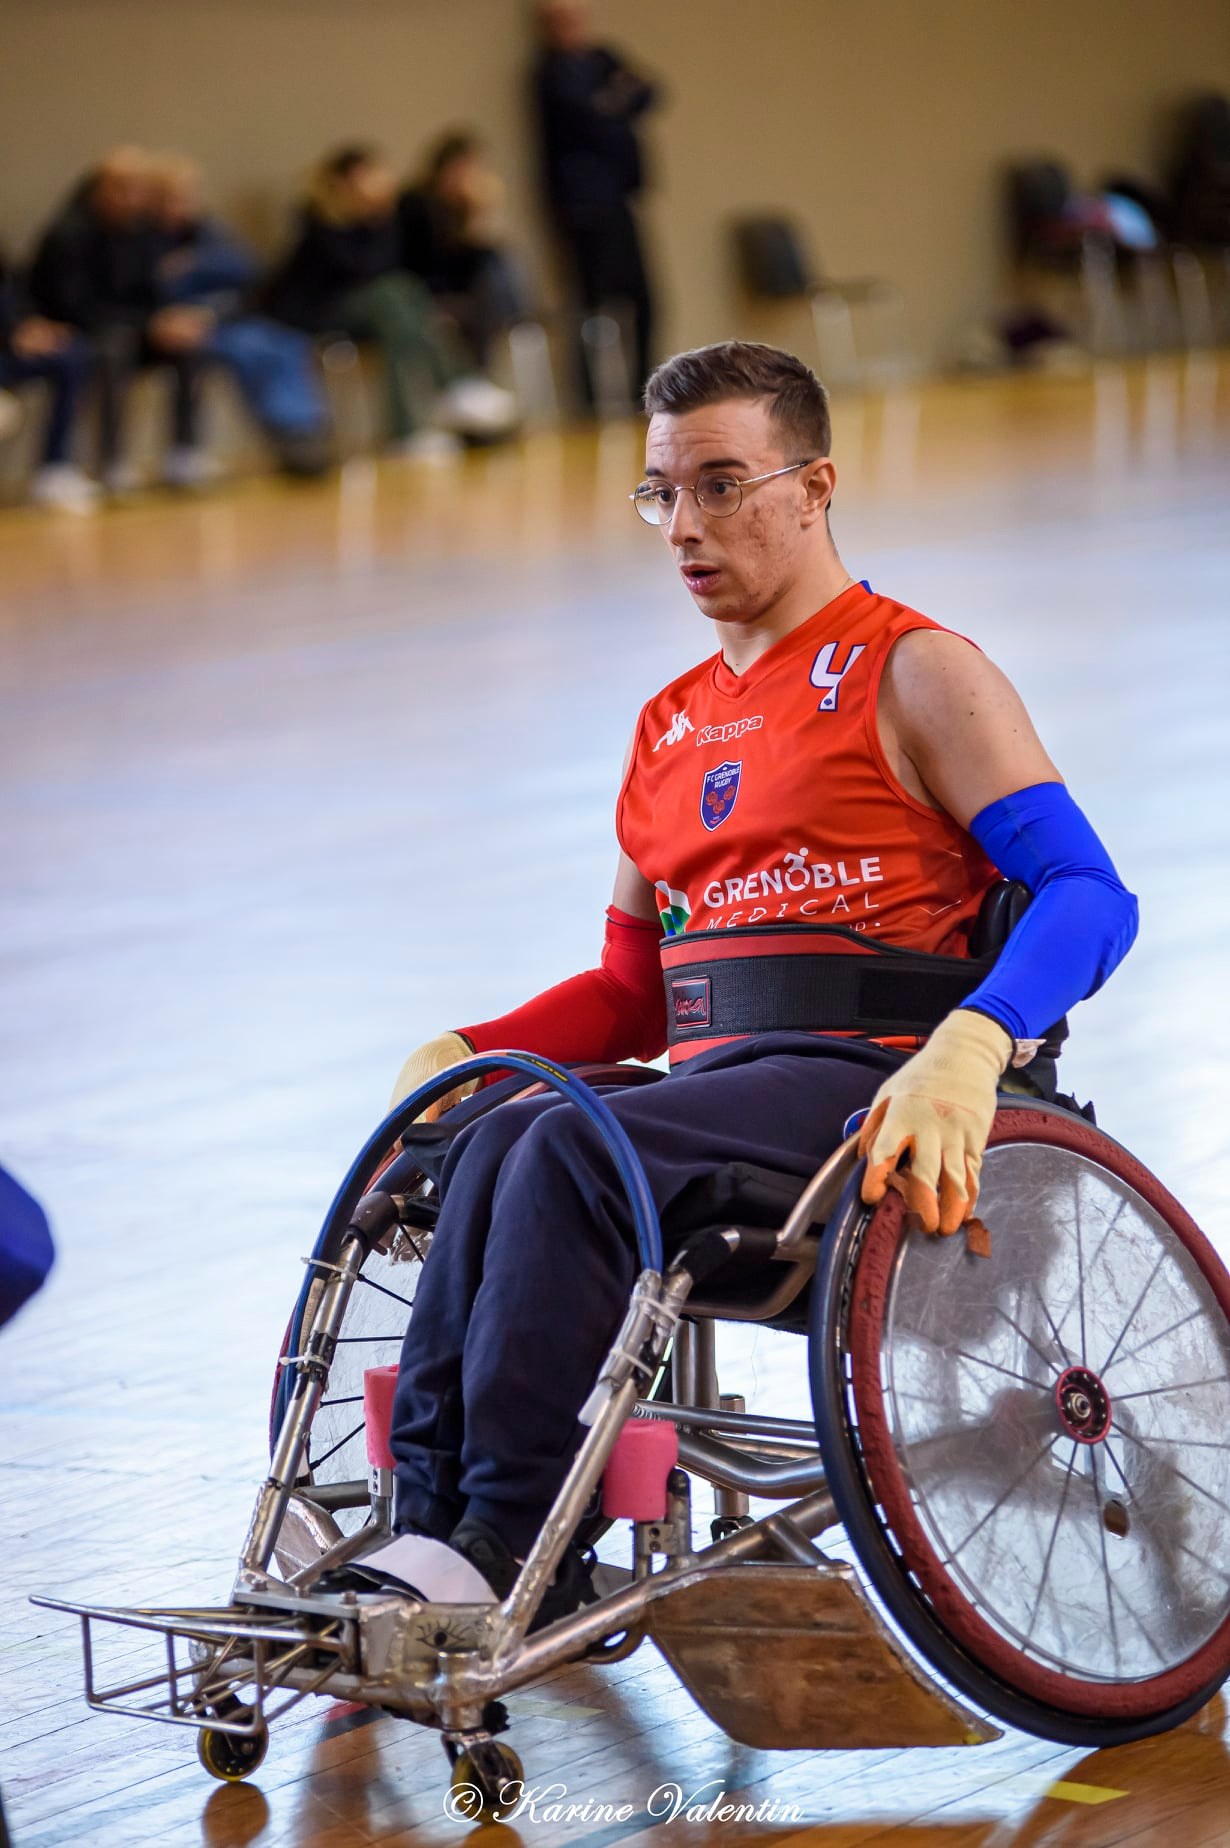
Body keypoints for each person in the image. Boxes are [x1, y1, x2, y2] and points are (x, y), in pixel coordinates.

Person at [368, 340, 1137, 1618]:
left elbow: (1091, 897)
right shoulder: (666, 725)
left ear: (816, 484)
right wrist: (466, 1047)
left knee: (559, 1148)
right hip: (715, 1090)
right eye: (662, 493)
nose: (685, 525)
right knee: (496, 1133)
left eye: (722, 484)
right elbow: (630, 994)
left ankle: (507, 1540)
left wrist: (979, 1036)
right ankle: (427, 1527)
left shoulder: (915, 667)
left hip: (865, 1084)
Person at [262, 145, 516, 459]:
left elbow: (425, 269)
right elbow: (359, 270)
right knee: (392, 296)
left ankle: (410, 429)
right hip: (320, 314)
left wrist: (472, 223)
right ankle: (455, 387)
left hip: (383, 314)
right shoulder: (318, 218)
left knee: (403, 314)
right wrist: (374, 218)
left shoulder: (387, 220)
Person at [28, 146, 219, 492]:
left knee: (189, 344)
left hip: (134, 327)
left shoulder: (140, 233)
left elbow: (151, 291)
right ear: (99, 188)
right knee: (114, 348)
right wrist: (147, 324)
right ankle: (112, 460)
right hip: (84, 331)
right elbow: (74, 307)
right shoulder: (68, 234)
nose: (131, 198)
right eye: (122, 187)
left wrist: (168, 319)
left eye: (138, 189)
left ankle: (184, 453)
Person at [151, 155, 332, 477]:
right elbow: (142, 294)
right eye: (173, 198)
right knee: (249, 349)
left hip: (223, 318)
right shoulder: (145, 241)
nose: (184, 205)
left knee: (287, 342)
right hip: (182, 329)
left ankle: (306, 427)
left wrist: (204, 286)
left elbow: (249, 273)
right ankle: (283, 432)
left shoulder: (208, 233)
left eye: (189, 195)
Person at [533, 0, 659, 405]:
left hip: (621, 197)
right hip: (583, 207)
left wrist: (612, 100)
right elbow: (587, 116)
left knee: (644, 299)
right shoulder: (550, 73)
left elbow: (650, 91)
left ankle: (647, 389)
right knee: (592, 306)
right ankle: (590, 400)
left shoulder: (603, 56)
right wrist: (613, 100)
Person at [399, 131, 531, 369]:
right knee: (488, 290)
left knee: (496, 265)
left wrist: (479, 223)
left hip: (461, 293)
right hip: (423, 293)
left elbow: (469, 269)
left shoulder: (463, 209)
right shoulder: (415, 204)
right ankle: (520, 323)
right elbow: (425, 265)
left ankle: (519, 321)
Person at [0, 247, 99, 511]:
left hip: (10, 348)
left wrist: (29, 325)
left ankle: (54, 467)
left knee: (73, 354)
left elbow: (16, 293)